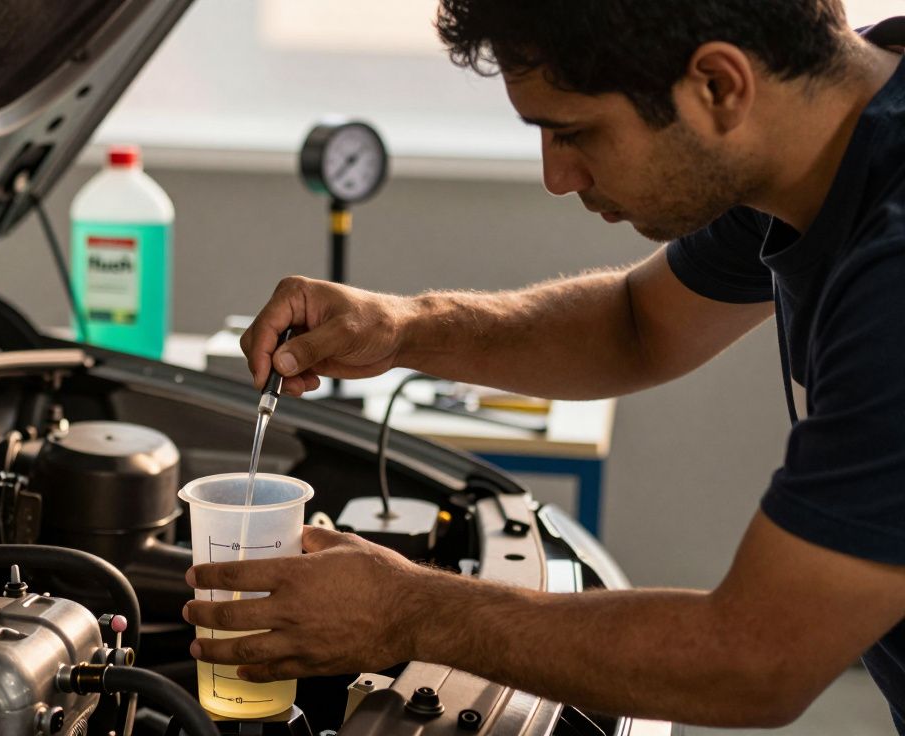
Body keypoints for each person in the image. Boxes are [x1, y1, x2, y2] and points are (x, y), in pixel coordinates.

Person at [180, 1, 905, 730]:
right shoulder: (815, 133)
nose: (557, 177)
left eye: (574, 131)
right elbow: (637, 324)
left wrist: (406, 609)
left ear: (719, 86)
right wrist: (400, 330)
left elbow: (754, 660)